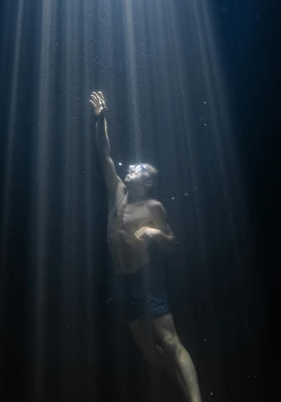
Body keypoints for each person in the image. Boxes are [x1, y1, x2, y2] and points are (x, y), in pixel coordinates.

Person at [89, 91, 202, 402]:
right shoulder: (118, 191)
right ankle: (182, 385)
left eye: (139, 169)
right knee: (148, 353)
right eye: (134, 167)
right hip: (122, 282)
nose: (132, 169)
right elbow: (104, 155)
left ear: (148, 180)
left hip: (146, 279)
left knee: (169, 340)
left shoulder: (155, 206)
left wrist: (155, 234)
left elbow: (174, 245)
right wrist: (101, 120)